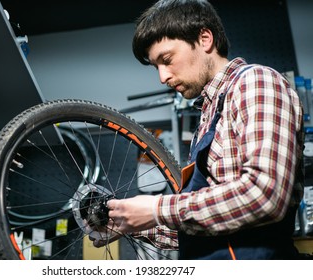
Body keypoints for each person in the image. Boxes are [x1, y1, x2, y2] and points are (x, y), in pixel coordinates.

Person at [92, 0, 305, 260]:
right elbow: (209, 227)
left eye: (167, 59)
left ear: (205, 39)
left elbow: (264, 195)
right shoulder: (208, 115)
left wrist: (157, 209)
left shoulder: (255, 82)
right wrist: (132, 223)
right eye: (156, 67)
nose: (162, 77)